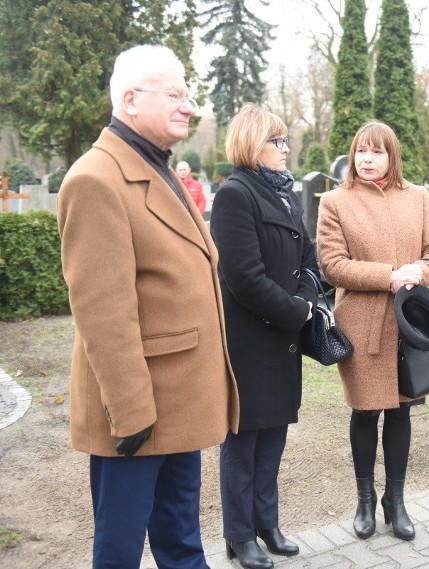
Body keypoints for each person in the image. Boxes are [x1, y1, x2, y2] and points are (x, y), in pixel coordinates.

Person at [55, 44, 238, 568]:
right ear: (131, 101)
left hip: (178, 399)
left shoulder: (155, 167)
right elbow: (101, 311)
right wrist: (131, 414)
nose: (188, 105)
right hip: (137, 411)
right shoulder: (96, 178)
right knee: (120, 550)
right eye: (176, 94)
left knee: (181, 539)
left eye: (188, 94)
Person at [316, 121, 429, 541]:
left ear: (392, 156)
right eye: (361, 151)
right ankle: (364, 499)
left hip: (409, 324)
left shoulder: (417, 197)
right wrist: (389, 274)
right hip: (362, 324)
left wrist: (421, 271)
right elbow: (333, 265)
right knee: (364, 410)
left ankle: (396, 499)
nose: (367, 160)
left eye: (376, 152)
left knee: (401, 409)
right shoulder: (336, 202)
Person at [210, 104, 317, 569]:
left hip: (283, 340)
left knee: (273, 436)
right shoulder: (235, 195)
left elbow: (308, 260)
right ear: (253, 143)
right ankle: (238, 535)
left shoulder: (284, 195)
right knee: (243, 440)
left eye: (284, 140)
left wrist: (309, 295)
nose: (285, 148)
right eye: (276, 141)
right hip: (250, 341)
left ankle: (267, 524)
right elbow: (243, 278)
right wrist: (297, 311)